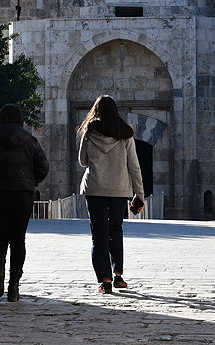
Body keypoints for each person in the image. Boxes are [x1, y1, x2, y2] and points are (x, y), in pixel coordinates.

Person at [0, 104, 49, 302]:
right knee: (18, 240)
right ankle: (14, 285)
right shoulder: (30, 140)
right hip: (23, 194)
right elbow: (43, 166)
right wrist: (31, 182)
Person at [77, 95, 145, 294]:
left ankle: (105, 281)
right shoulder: (125, 134)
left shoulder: (89, 131)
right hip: (119, 189)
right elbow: (134, 166)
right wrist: (139, 194)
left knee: (99, 235)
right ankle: (118, 275)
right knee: (115, 230)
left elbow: (82, 161)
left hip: (95, 188)